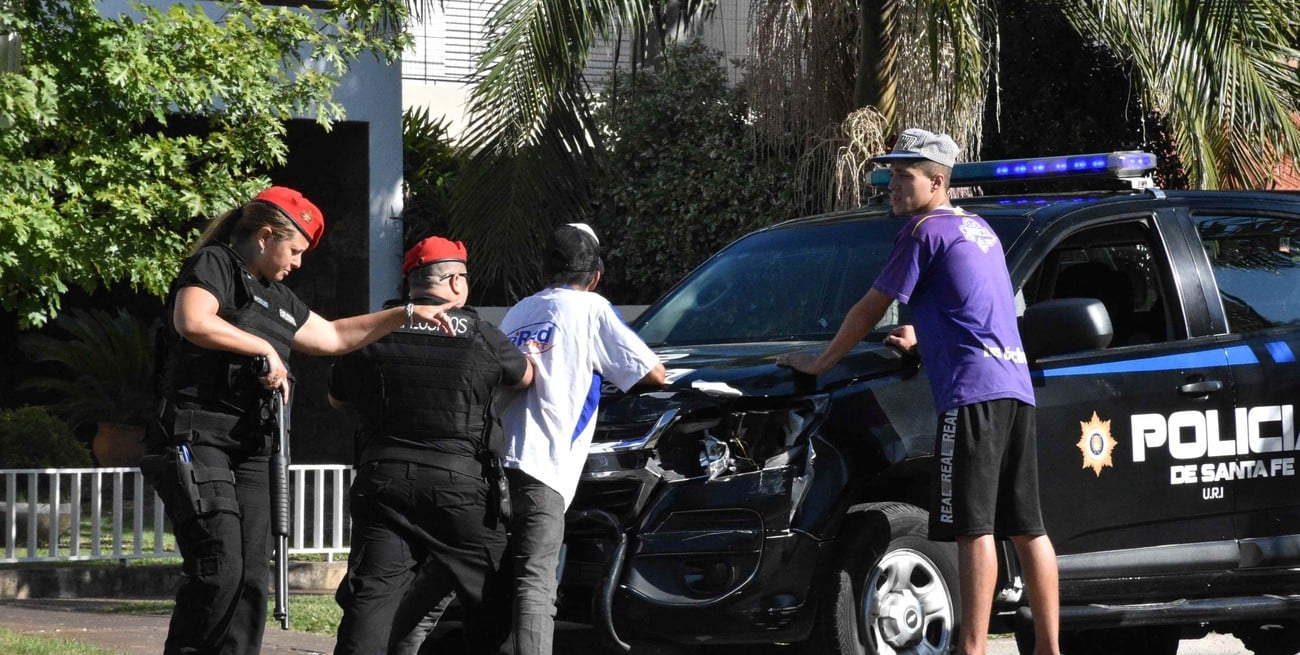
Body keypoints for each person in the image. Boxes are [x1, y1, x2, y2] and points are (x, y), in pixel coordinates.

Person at [777, 128, 1061, 655]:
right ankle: (1049, 648)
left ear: (937, 181)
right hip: (1014, 388)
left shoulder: (924, 231)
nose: (893, 185)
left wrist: (821, 362)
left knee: (975, 529)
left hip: (971, 394)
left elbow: (869, 306)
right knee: (1027, 528)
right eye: (891, 175)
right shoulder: (979, 230)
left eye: (904, 177)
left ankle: (971, 649)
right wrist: (925, 337)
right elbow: (980, 314)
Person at [147, 186, 455, 655]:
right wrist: (264, 347)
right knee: (220, 565)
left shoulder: (280, 298)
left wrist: (406, 313)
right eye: (294, 250)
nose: (298, 262)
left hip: (251, 446)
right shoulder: (216, 264)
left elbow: (332, 335)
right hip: (198, 435)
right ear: (266, 237)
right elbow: (192, 319)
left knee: (252, 576)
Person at [328, 236, 533, 655]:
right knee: (496, 595)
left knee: (371, 600)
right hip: (459, 487)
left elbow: (336, 397)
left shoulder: (373, 328)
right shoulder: (481, 334)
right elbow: (525, 376)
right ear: (456, 281)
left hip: (382, 481)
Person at [498, 224, 666, 655]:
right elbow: (651, 372)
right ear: (595, 276)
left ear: (543, 271)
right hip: (544, 467)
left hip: (497, 464)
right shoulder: (591, 308)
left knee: (479, 574)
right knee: (536, 586)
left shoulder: (517, 313)